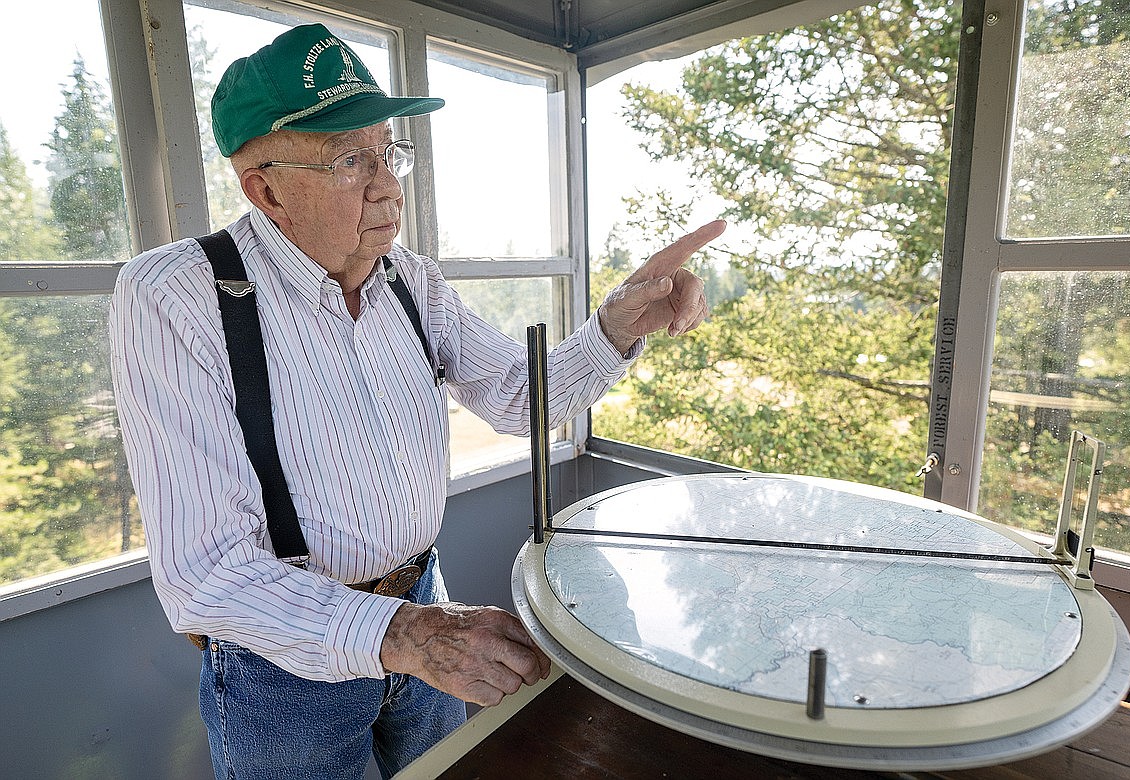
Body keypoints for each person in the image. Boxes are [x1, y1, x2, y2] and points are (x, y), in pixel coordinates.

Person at [109, 22, 725, 780]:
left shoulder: (410, 279)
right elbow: (206, 571)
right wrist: (408, 634)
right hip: (285, 670)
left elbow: (517, 398)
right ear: (265, 188)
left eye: (387, 152)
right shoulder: (177, 294)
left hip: (424, 605)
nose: (387, 185)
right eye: (349, 160)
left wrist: (613, 329)